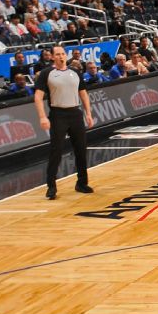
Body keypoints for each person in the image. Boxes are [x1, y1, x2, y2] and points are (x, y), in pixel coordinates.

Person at [33, 45, 94, 199]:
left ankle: (82, 183)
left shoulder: (75, 72)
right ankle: (51, 186)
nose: (61, 57)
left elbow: (84, 94)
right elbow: (38, 97)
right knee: (56, 151)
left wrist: (88, 114)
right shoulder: (47, 73)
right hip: (58, 114)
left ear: (66, 55)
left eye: (62, 54)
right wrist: (42, 117)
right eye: (57, 54)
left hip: (75, 113)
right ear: (52, 57)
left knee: (81, 149)